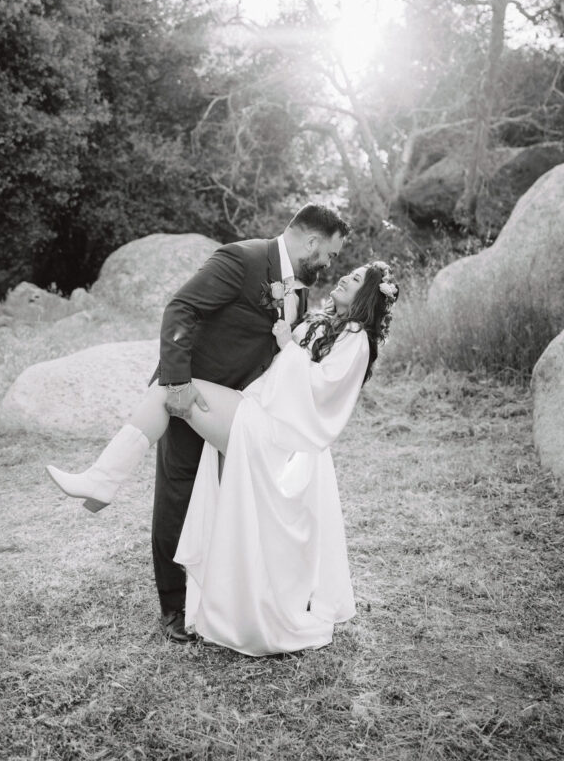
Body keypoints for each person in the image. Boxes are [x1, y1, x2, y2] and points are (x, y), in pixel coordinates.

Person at [46, 258, 399, 656]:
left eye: (353, 280)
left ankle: (103, 480)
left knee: (171, 388)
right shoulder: (322, 320)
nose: (341, 279)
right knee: (173, 394)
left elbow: (325, 392)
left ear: (367, 296)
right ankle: (104, 482)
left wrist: (289, 346)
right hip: (258, 410)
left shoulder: (357, 339)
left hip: (272, 431)